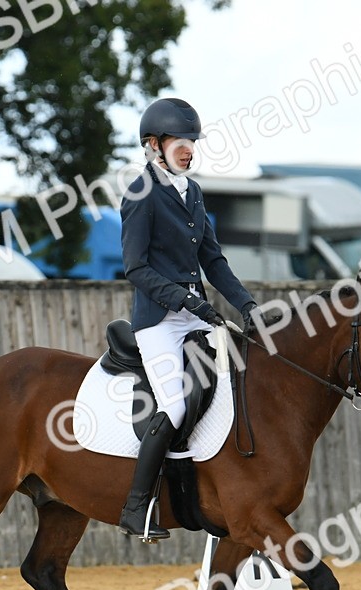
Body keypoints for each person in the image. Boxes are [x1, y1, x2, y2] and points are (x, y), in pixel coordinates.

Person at [117, 97, 265, 540]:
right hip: (159, 320)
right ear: (154, 145)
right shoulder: (140, 195)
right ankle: (136, 508)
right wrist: (186, 300)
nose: (189, 149)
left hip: (196, 315)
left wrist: (247, 304)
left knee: (239, 381)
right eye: (181, 141)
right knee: (176, 404)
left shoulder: (193, 192)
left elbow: (214, 262)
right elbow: (135, 269)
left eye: (192, 141)